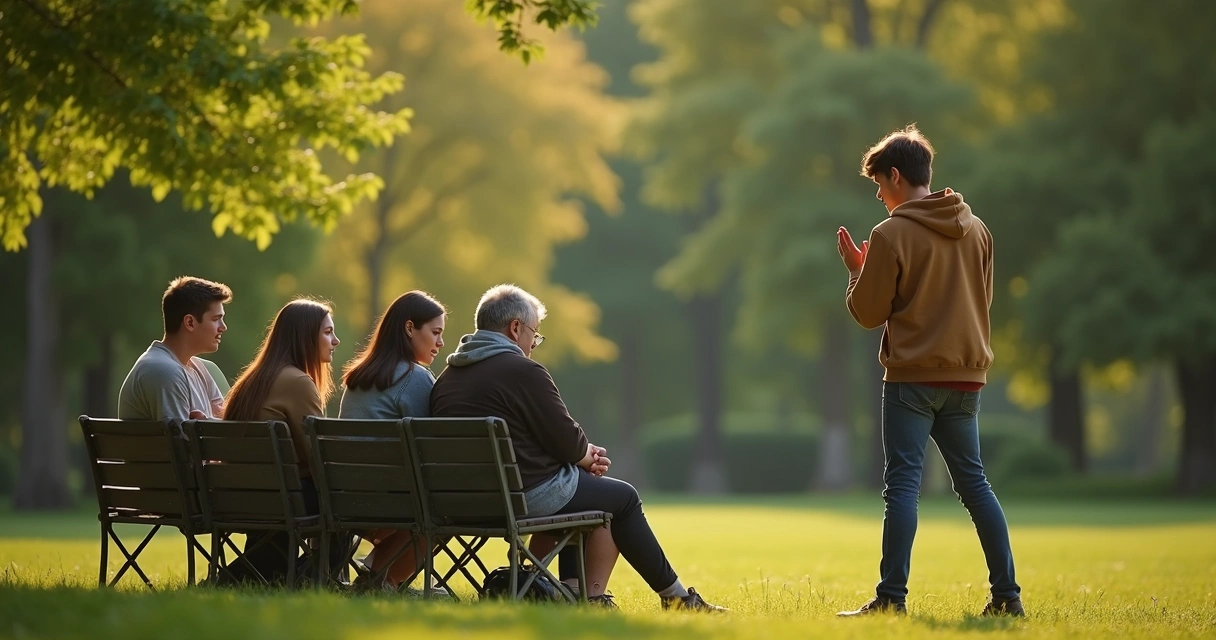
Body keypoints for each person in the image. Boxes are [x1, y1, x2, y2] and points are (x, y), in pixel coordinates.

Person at [430, 284, 725, 612]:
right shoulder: (523, 371)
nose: (533, 345)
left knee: (580, 484)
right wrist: (587, 456)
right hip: (519, 498)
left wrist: (580, 458)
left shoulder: (446, 379)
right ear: (515, 328)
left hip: (459, 502)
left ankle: (572, 591)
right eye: (534, 334)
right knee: (623, 498)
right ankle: (677, 598)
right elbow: (566, 440)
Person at [834, 125, 1023, 617]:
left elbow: (869, 313)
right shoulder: (977, 228)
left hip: (912, 380)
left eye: (878, 184)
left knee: (902, 485)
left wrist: (857, 270)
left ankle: (891, 599)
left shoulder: (890, 233)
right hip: (966, 376)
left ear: (896, 176)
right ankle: (1007, 596)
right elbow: (982, 299)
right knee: (975, 485)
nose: (878, 196)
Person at [222, 298, 349, 584]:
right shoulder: (297, 382)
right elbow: (318, 457)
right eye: (328, 332)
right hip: (281, 499)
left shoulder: (252, 379)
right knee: (348, 504)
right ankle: (308, 578)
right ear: (304, 337)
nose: (336, 340)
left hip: (240, 496)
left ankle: (266, 575)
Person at [338, 290, 447, 591]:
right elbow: (431, 446)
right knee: (450, 504)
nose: (440, 343)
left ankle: (379, 573)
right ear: (410, 328)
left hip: (345, 496)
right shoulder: (414, 377)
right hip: (388, 500)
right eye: (435, 333)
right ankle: (384, 577)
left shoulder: (358, 377)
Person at [117, 276, 230, 421]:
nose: (223, 327)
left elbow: (226, 422)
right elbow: (180, 442)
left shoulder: (198, 368)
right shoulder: (164, 371)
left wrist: (207, 421)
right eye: (215, 319)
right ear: (190, 322)